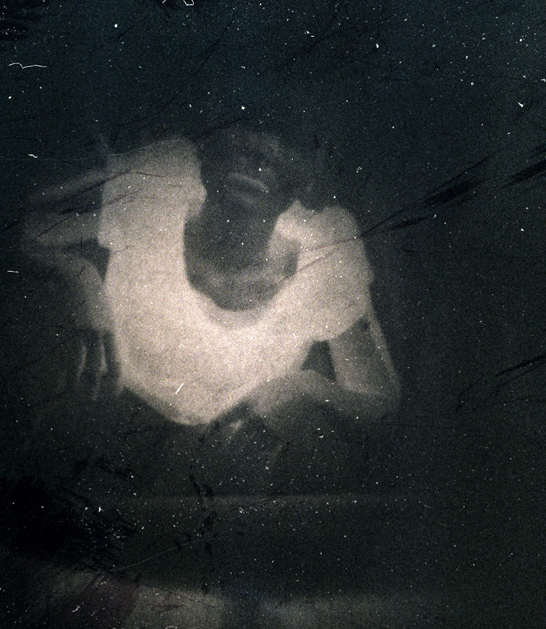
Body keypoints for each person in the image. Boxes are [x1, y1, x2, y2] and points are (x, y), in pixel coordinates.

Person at [21, 127, 400, 495]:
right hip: (108, 436)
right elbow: (24, 229)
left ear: (305, 177)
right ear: (206, 147)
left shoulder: (323, 253)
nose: (260, 153)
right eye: (248, 126)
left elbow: (380, 403)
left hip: (221, 471)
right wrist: (81, 279)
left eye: (286, 139)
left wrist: (299, 387)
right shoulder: (156, 200)